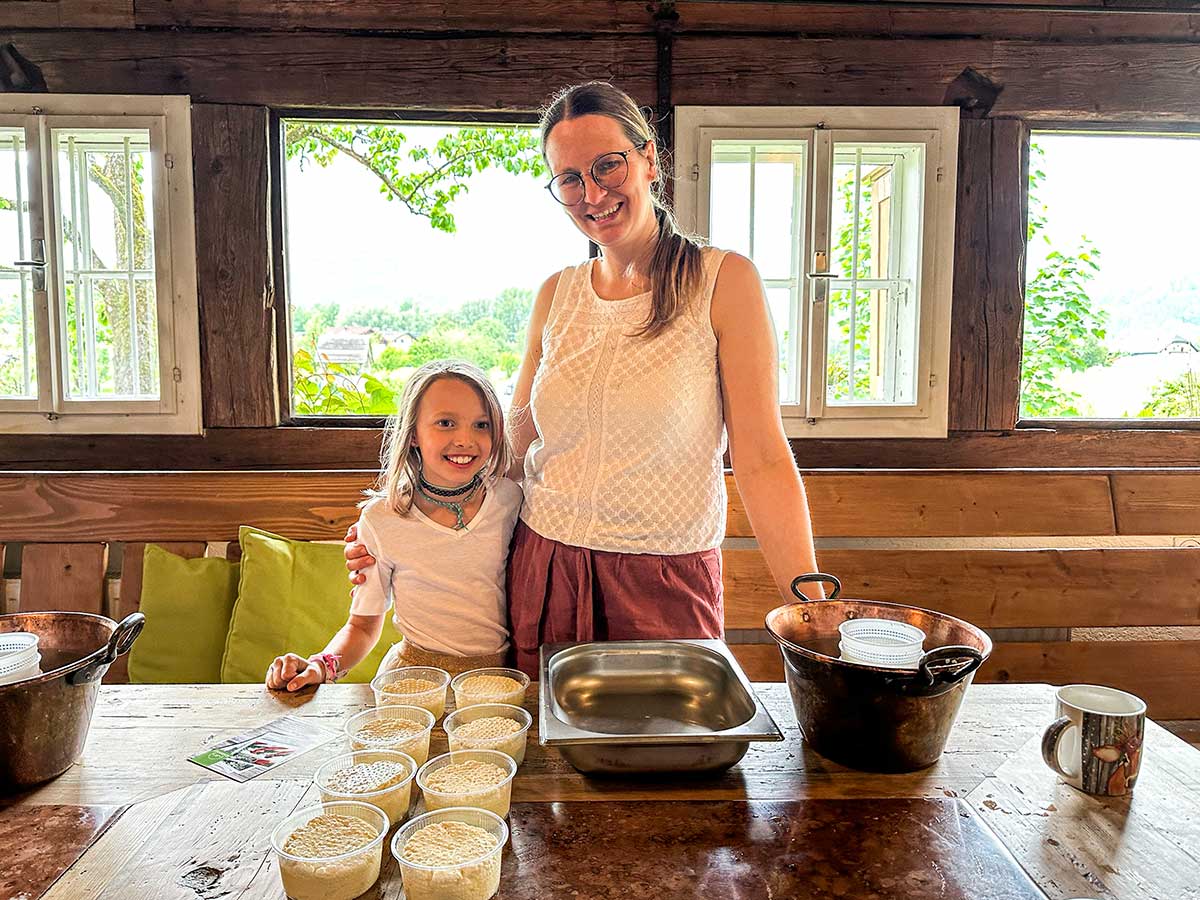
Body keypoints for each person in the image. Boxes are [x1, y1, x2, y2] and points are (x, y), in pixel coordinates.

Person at [345, 81, 820, 675]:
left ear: (649, 159)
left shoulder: (723, 282)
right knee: (545, 757)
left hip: (664, 575)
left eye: (607, 166)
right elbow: (511, 452)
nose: (592, 193)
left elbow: (762, 458)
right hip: (543, 565)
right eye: (570, 178)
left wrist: (811, 607)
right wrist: (404, 523)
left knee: (668, 759)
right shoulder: (556, 294)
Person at [266, 359, 523, 691]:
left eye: (482, 425)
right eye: (446, 423)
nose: (465, 439)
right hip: (412, 681)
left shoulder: (509, 500)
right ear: (413, 433)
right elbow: (361, 627)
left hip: (495, 680)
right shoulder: (381, 519)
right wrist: (319, 665)